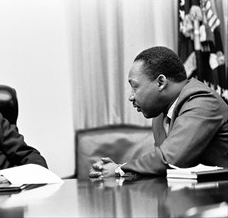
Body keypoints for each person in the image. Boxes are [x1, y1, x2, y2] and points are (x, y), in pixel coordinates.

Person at [89, 46, 228, 178]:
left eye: (135, 87)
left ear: (160, 82)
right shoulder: (160, 115)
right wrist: (119, 170)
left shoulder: (202, 101)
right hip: (190, 196)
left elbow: (170, 159)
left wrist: (120, 169)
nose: (131, 97)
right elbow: (160, 168)